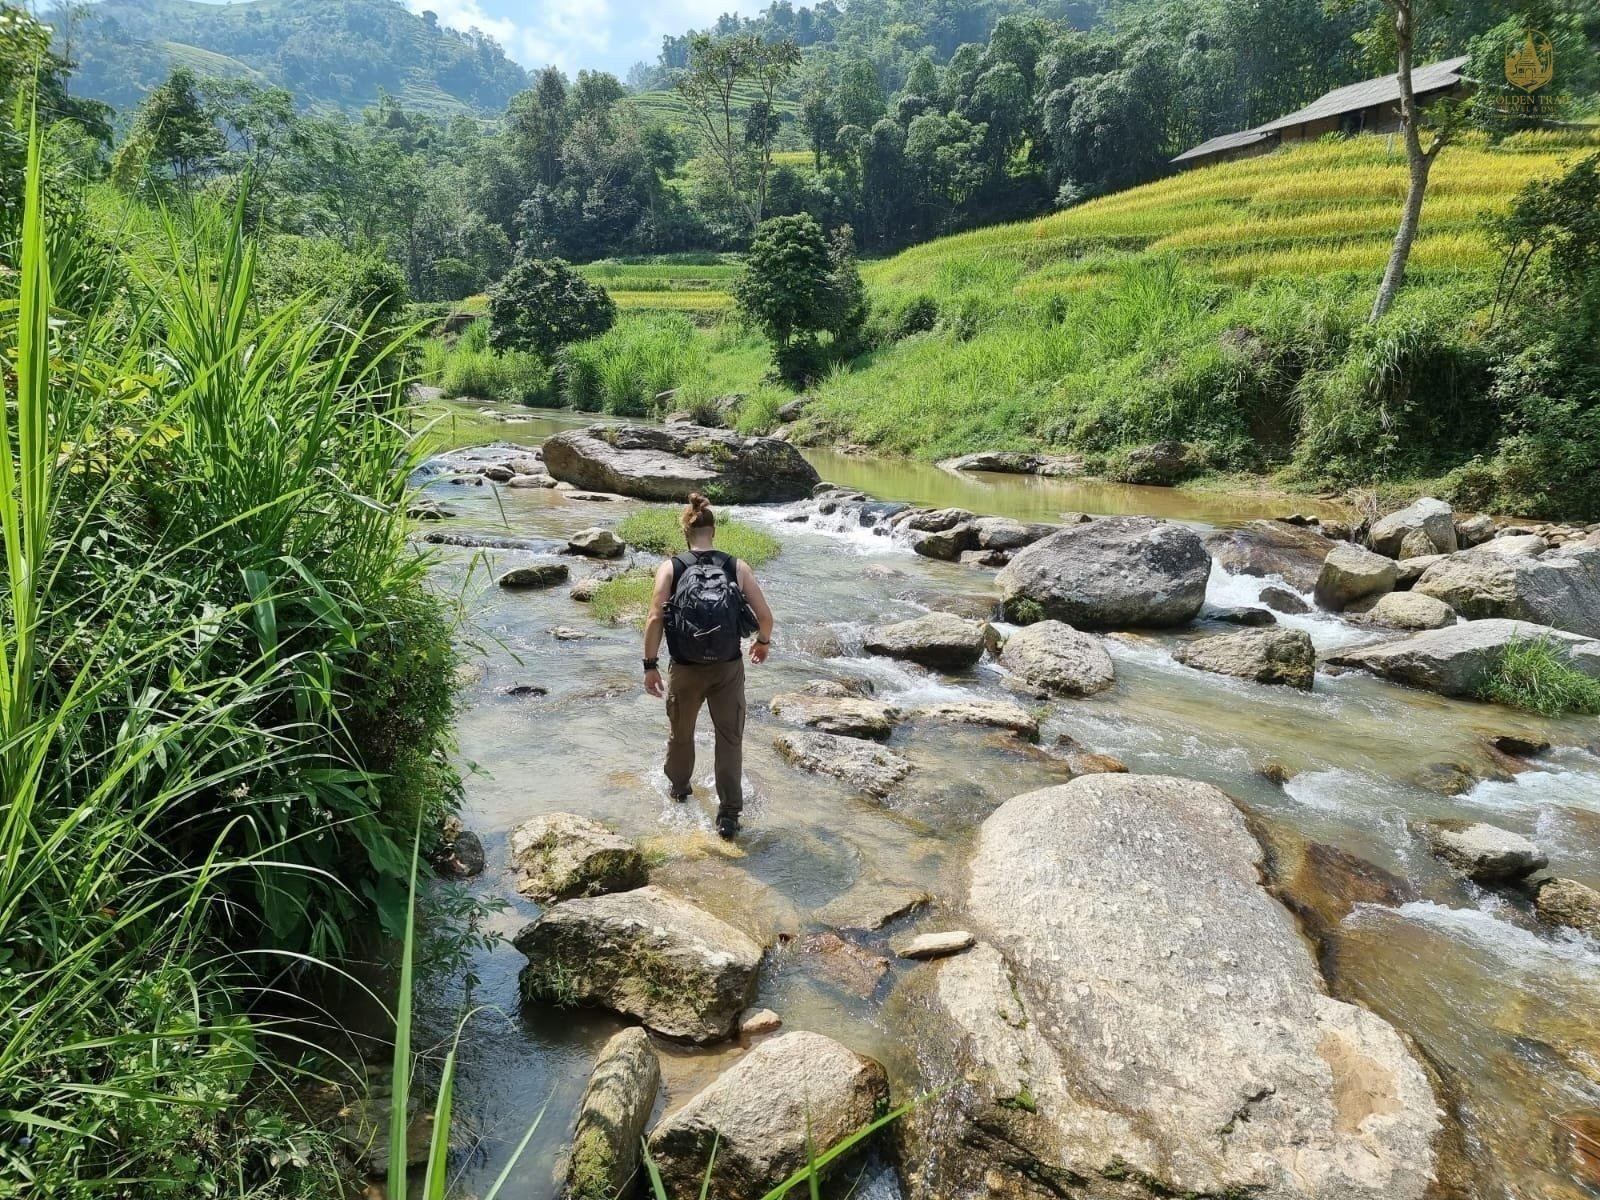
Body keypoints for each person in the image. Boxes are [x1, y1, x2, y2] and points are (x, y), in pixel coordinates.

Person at [643, 493, 774, 839]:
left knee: (681, 734)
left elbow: (656, 616)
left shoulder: (671, 567)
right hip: (728, 668)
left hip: (684, 667)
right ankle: (728, 815)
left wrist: (650, 665)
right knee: (729, 739)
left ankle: (680, 790)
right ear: (713, 531)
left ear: (685, 532)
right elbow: (765, 618)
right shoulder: (737, 566)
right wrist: (761, 643)